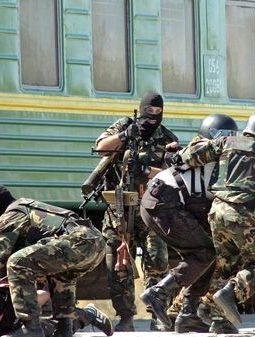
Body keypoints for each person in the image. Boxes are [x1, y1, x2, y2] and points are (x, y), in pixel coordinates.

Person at [176, 112, 255, 331]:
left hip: (216, 211)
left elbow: (190, 155)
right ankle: (231, 293)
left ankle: (220, 321)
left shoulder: (228, 141)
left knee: (227, 264)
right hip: (242, 212)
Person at [139, 114, 238, 333]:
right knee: (205, 253)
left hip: (159, 201)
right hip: (165, 202)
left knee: (206, 256)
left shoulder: (197, 151)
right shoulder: (214, 158)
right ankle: (159, 293)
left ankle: (188, 315)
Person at [0, 182, 111, 337]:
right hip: (95, 242)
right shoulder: (26, 207)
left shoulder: (11, 214)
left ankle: (31, 329)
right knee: (60, 275)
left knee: (17, 263)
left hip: (80, 240)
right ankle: (65, 326)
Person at [94, 92, 178, 331]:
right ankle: (126, 317)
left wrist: (144, 170)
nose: (152, 118)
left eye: (157, 114)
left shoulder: (167, 138)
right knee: (117, 265)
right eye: (148, 113)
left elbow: (173, 173)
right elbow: (101, 148)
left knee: (157, 263)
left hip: (152, 211)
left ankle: (157, 316)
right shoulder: (125, 126)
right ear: (141, 110)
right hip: (119, 208)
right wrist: (124, 136)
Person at [0, 274, 109, 337]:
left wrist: (21, 286)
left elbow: (45, 294)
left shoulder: (16, 303)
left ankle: (88, 314)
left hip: (17, 321)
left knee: (53, 330)